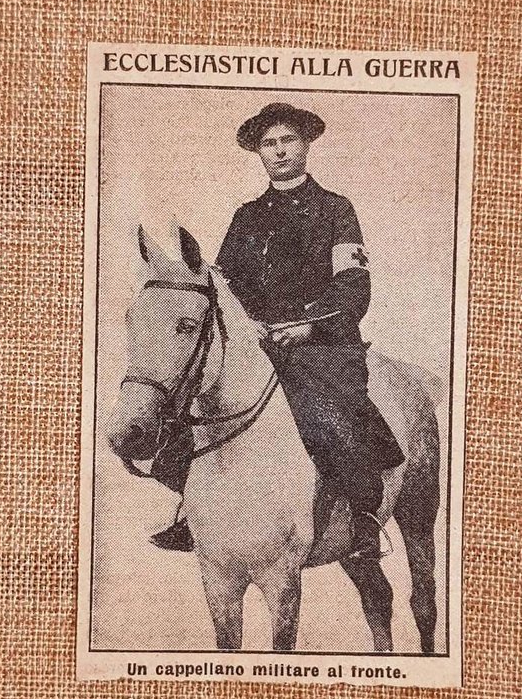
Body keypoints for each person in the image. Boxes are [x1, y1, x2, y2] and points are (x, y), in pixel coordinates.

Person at [153, 102, 404, 556]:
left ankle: (364, 518)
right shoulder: (247, 216)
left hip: (321, 343)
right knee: (188, 405)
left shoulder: (335, 210)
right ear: (259, 153)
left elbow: (353, 285)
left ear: (306, 146)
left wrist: (308, 328)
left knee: (333, 416)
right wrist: (244, 323)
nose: (280, 151)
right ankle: (193, 510)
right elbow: (226, 286)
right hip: (260, 343)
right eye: (270, 144)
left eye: (288, 140)